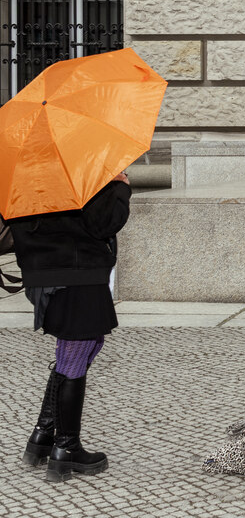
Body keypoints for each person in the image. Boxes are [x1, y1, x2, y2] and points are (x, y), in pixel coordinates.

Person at [7, 171, 131, 482]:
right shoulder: (78, 166)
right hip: (76, 269)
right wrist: (120, 187)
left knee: (76, 348)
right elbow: (104, 222)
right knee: (78, 350)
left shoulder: (25, 166)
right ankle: (66, 449)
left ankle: (43, 436)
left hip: (42, 271)